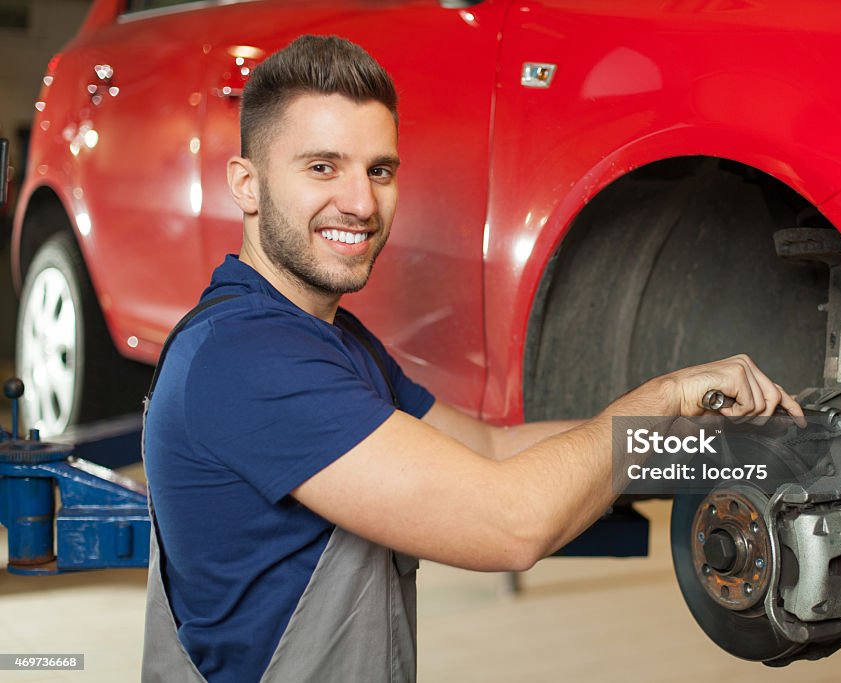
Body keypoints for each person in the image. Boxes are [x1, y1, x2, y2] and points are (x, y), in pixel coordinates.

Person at [141, 35, 803, 683]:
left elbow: (491, 448)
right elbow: (510, 521)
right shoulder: (245, 358)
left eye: (380, 170)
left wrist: (712, 444)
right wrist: (665, 395)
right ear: (246, 184)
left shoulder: (333, 341)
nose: (361, 203)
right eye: (322, 167)